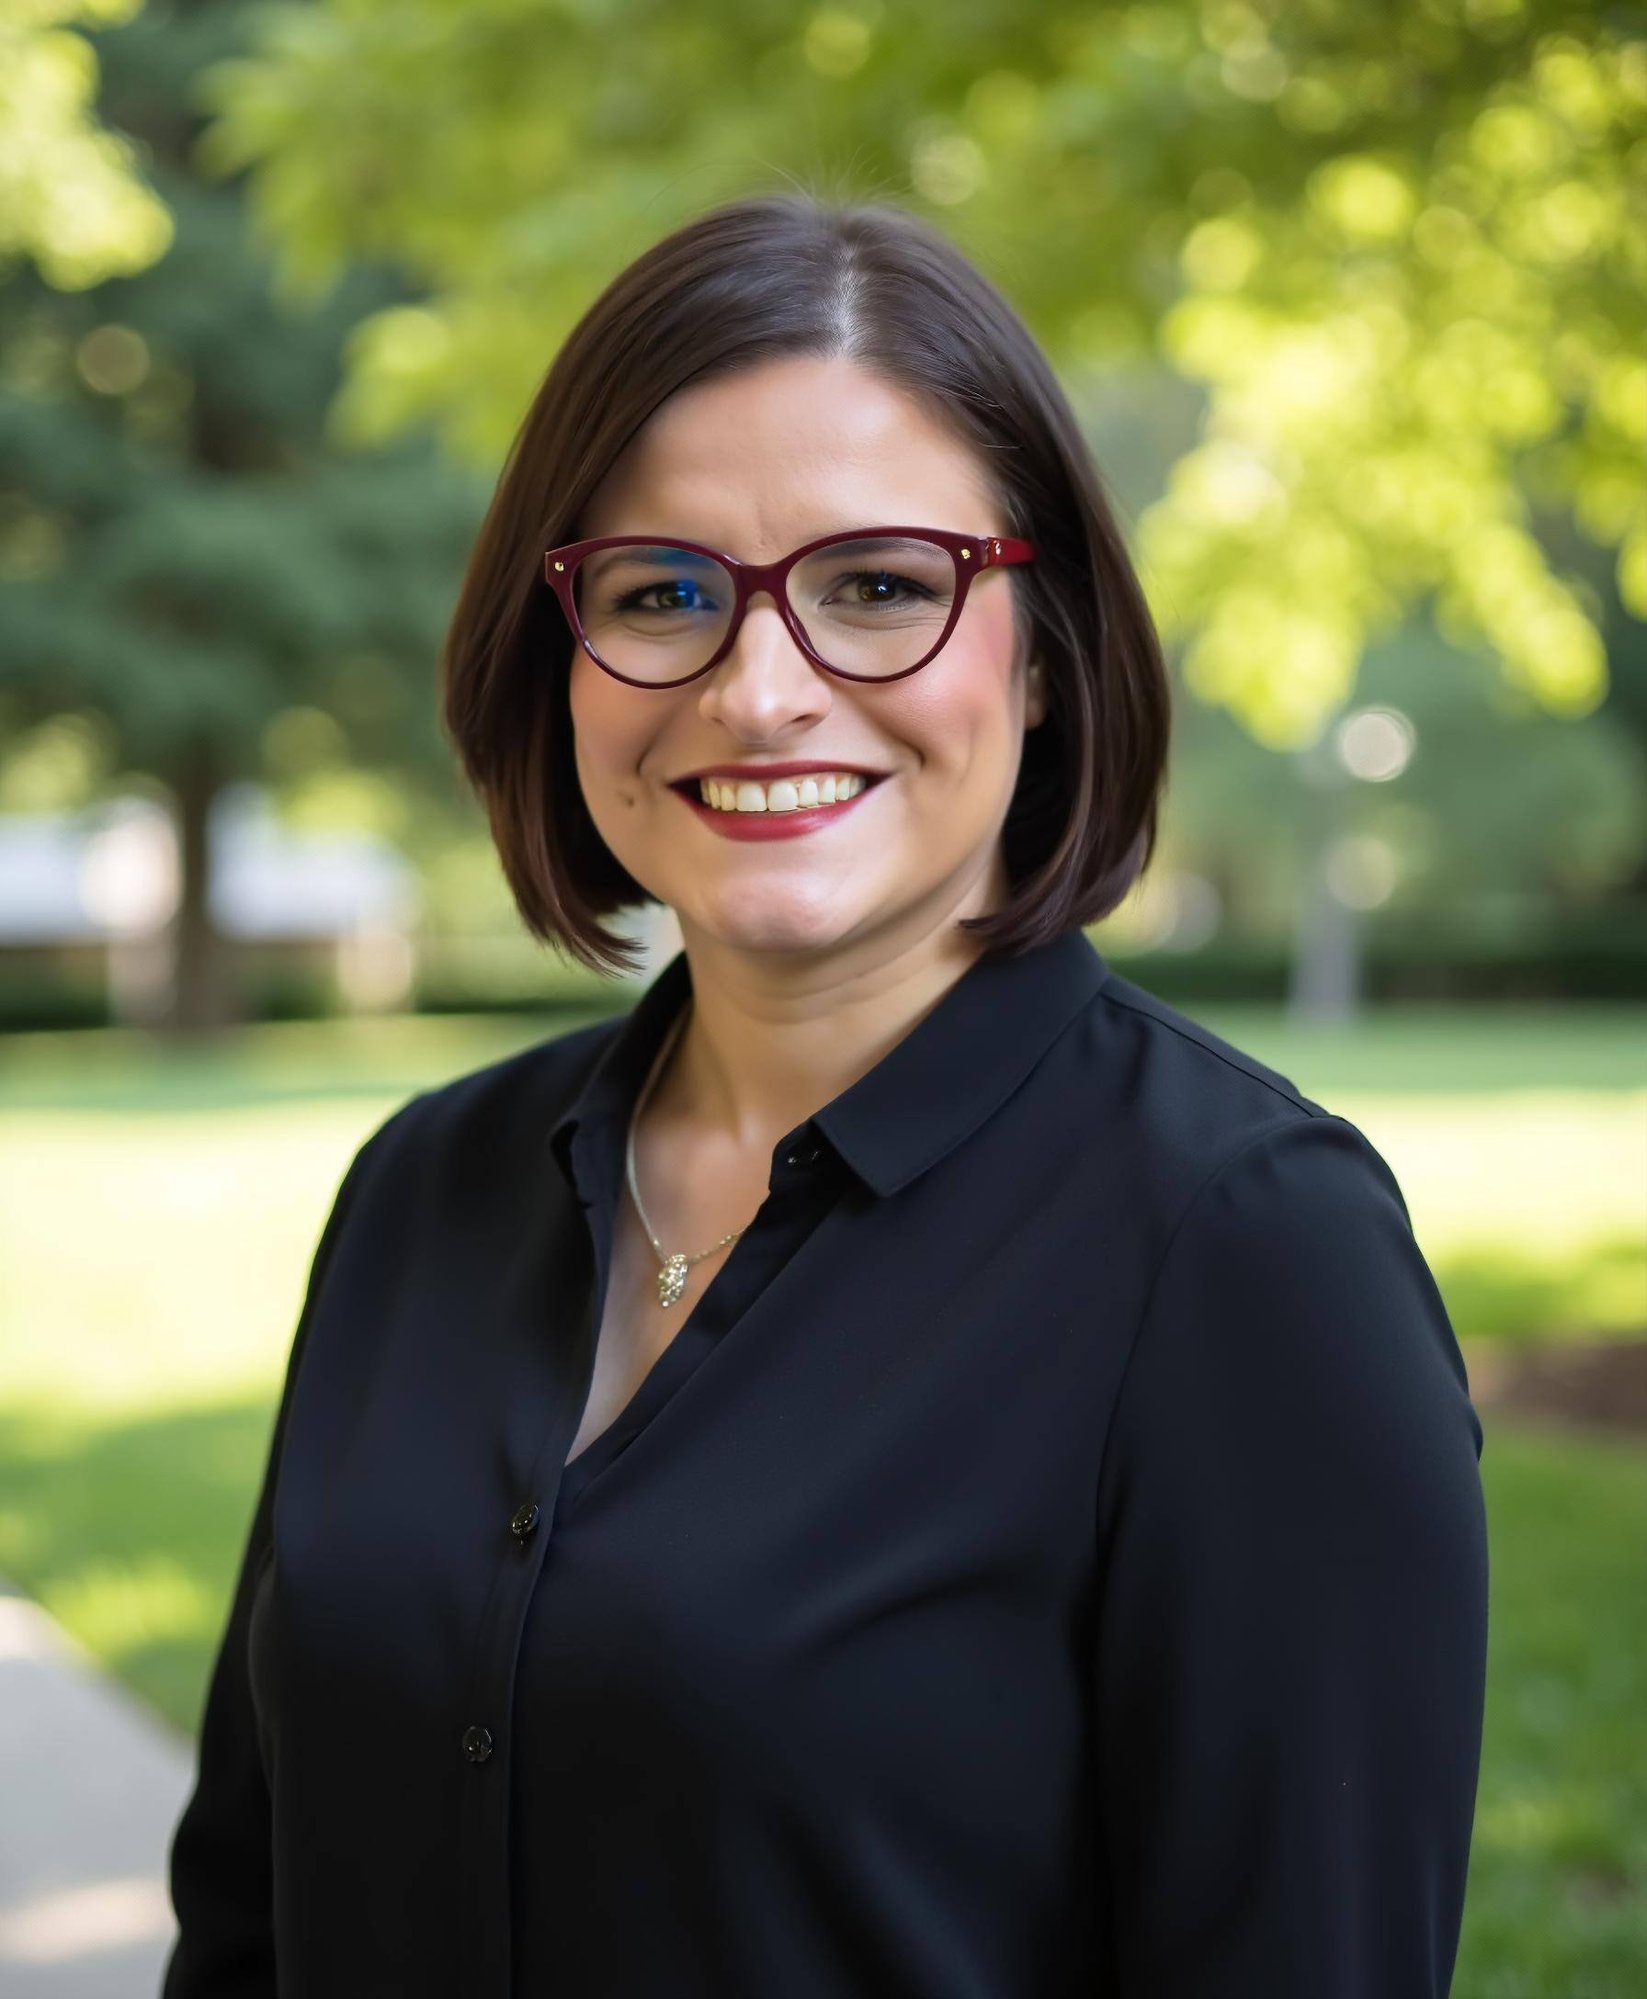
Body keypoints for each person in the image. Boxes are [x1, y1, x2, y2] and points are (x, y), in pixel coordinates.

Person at [161, 192, 1489, 1997]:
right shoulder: (426, 1185)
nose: (760, 689)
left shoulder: (1248, 1255)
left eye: (879, 586)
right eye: (662, 593)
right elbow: (249, 1918)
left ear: (1047, 650)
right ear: (560, 658)